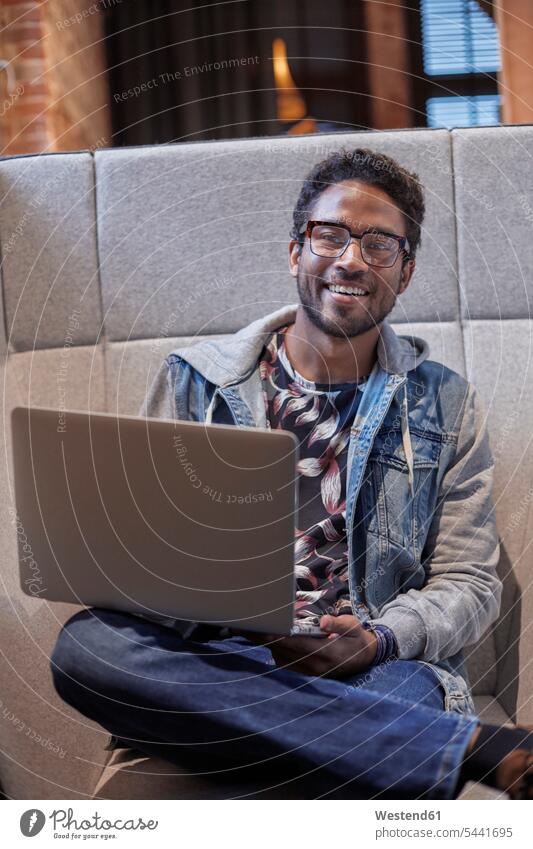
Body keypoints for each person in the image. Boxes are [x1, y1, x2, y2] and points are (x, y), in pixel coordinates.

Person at [51, 148, 533, 799]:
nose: (351, 259)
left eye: (378, 244)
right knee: (87, 648)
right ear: (294, 252)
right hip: (220, 656)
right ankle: (457, 748)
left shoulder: (445, 404)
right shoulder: (197, 381)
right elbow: (145, 552)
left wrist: (378, 637)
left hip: (370, 669)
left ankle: (279, 738)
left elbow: (470, 584)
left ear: (406, 269)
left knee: (403, 693)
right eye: (329, 235)